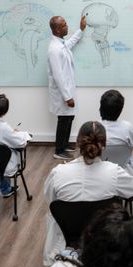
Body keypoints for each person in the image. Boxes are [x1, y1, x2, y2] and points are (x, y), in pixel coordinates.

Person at [43, 121, 133, 265]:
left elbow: (51, 201)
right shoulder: (114, 172)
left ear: (77, 142)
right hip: (103, 235)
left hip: (68, 236)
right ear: (104, 144)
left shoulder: (58, 173)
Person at [48, 14, 87, 160]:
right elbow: (58, 76)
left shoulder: (60, 44)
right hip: (63, 92)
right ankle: (59, 150)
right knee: (63, 120)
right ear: (57, 30)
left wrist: (81, 30)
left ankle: (64, 144)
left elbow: (69, 44)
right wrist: (67, 97)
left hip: (68, 89)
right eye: (64, 25)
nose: (67, 26)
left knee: (69, 118)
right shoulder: (54, 49)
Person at [100, 89, 133, 175]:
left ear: (101, 107)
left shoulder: (93, 127)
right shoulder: (127, 127)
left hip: (98, 170)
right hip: (123, 170)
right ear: (120, 109)